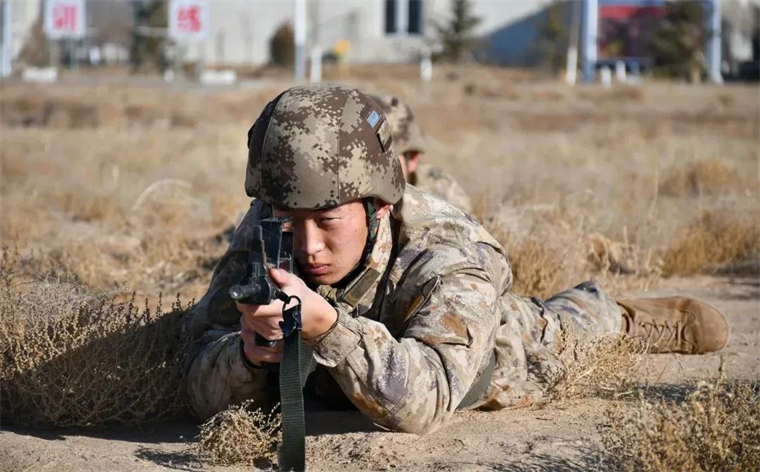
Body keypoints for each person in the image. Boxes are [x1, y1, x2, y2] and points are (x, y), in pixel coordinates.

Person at [184, 84, 729, 434]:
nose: (307, 247)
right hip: (350, 374)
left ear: (378, 206)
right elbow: (194, 367)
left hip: (493, 359)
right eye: (288, 220)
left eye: (328, 222)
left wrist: (329, 331)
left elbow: (424, 403)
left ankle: (624, 318)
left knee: (560, 333)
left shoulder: (445, 250)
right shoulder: (268, 224)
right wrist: (248, 356)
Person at [369, 93, 473, 214]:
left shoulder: (441, 190)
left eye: (384, 162)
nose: (372, 171)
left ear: (412, 159)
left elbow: (465, 222)